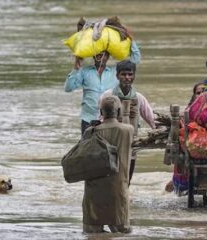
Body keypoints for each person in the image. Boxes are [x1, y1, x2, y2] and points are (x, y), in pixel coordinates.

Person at [64, 40, 141, 136]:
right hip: (89, 119)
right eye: (98, 54)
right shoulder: (84, 72)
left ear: (108, 56)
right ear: (93, 55)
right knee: (88, 148)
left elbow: (135, 60)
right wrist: (76, 69)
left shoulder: (115, 72)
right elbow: (68, 88)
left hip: (111, 119)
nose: (100, 57)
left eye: (103, 54)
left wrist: (130, 40)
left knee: (110, 148)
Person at [82, 95, 134, 233]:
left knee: (91, 232)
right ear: (118, 112)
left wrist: (93, 126)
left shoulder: (90, 131)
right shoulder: (127, 130)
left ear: (100, 112)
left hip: (94, 188)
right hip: (117, 188)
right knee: (123, 231)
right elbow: (126, 122)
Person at [99, 60, 155, 185]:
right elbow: (100, 120)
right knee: (110, 179)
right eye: (123, 74)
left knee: (126, 180)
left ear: (134, 76)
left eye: (130, 74)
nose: (127, 78)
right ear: (117, 75)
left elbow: (151, 118)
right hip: (110, 145)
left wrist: (160, 132)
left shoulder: (139, 98)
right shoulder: (107, 96)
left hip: (131, 145)